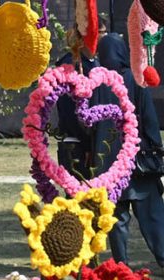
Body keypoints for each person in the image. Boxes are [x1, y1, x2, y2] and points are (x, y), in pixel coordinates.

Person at [97, 33, 164, 269]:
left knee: (117, 218)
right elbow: (149, 119)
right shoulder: (135, 80)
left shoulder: (97, 83)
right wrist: (156, 148)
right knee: (153, 216)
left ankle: (122, 264)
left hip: (109, 166)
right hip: (138, 161)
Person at [55, 21, 110, 180]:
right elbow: (68, 109)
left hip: (96, 141)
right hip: (78, 142)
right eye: (100, 32)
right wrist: (86, 143)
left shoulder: (96, 62)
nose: (104, 37)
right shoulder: (70, 63)